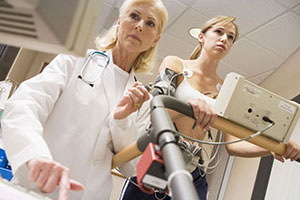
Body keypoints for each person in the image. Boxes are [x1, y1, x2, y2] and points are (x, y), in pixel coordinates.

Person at [119, 15, 300, 200]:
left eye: (231, 37)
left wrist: (272, 148)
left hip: (193, 170)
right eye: (219, 32)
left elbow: (233, 143)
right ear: (202, 37)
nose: (224, 39)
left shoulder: (226, 89)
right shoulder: (176, 64)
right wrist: (188, 107)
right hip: (159, 158)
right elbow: (156, 112)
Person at [1, 0, 168, 200]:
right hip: (38, 189)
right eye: (134, 16)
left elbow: (129, 166)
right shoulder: (75, 61)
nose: (140, 25)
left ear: (155, 40)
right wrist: (33, 154)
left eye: (150, 23)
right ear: (119, 21)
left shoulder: (142, 99)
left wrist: (121, 120)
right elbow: (24, 104)